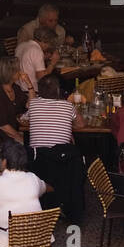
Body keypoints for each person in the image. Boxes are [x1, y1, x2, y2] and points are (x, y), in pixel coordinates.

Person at [27, 74, 85, 224]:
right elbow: (81, 125)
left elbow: (23, 120)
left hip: (38, 162)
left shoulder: (33, 104)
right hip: (63, 161)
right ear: (59, 90)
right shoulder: (68, 106)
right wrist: (67, 127)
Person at [0, 56, 30, 151]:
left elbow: (30, 105)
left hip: (11, 132)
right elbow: (3, 126)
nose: (20, 72)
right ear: (10, 73)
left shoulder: (14, 88)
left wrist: (29, 84)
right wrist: (22, 140)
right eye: (17, 70)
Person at [15, 24, 60, 93]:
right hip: (30, 91)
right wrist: (52, 63)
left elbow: (28, 62)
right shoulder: (37, 50)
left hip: (18, 89)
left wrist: (44, 58)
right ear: (44, 41)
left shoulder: (21, 45)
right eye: (50, 44)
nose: (49, 47)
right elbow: (42, 78)